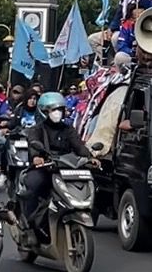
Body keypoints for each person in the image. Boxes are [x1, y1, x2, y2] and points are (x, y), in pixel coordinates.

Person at [21, 93, 98, 241]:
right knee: (34, 185)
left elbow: (79, 146)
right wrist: (37, 157)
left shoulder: (68, 129)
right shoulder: (37, 129)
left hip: (66, 168)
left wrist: (89, 158)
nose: (57, 113)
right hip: (45, 168)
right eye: (53, 110)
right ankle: (30, 226)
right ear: (44, 112)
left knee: (91, 183)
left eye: (60, 109)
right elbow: (33, 144)